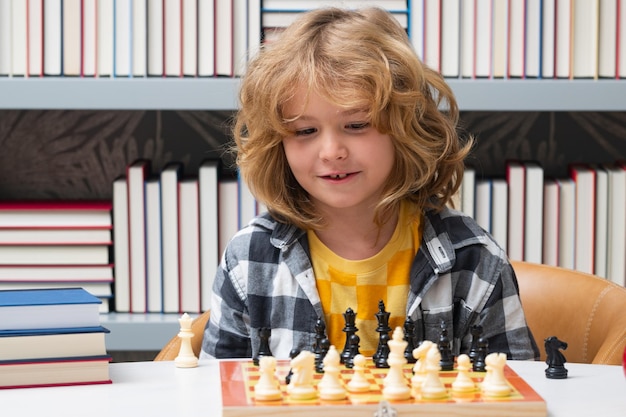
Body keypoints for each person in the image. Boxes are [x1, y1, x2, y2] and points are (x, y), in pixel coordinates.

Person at [201, 6, 539, 361]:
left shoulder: (473, 259)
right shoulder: (249, 260)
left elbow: (516, 392)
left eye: (357, 124)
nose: (332, 152)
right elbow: (216, 396)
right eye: (305, 131)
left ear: (406, 127)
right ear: (277, 141)